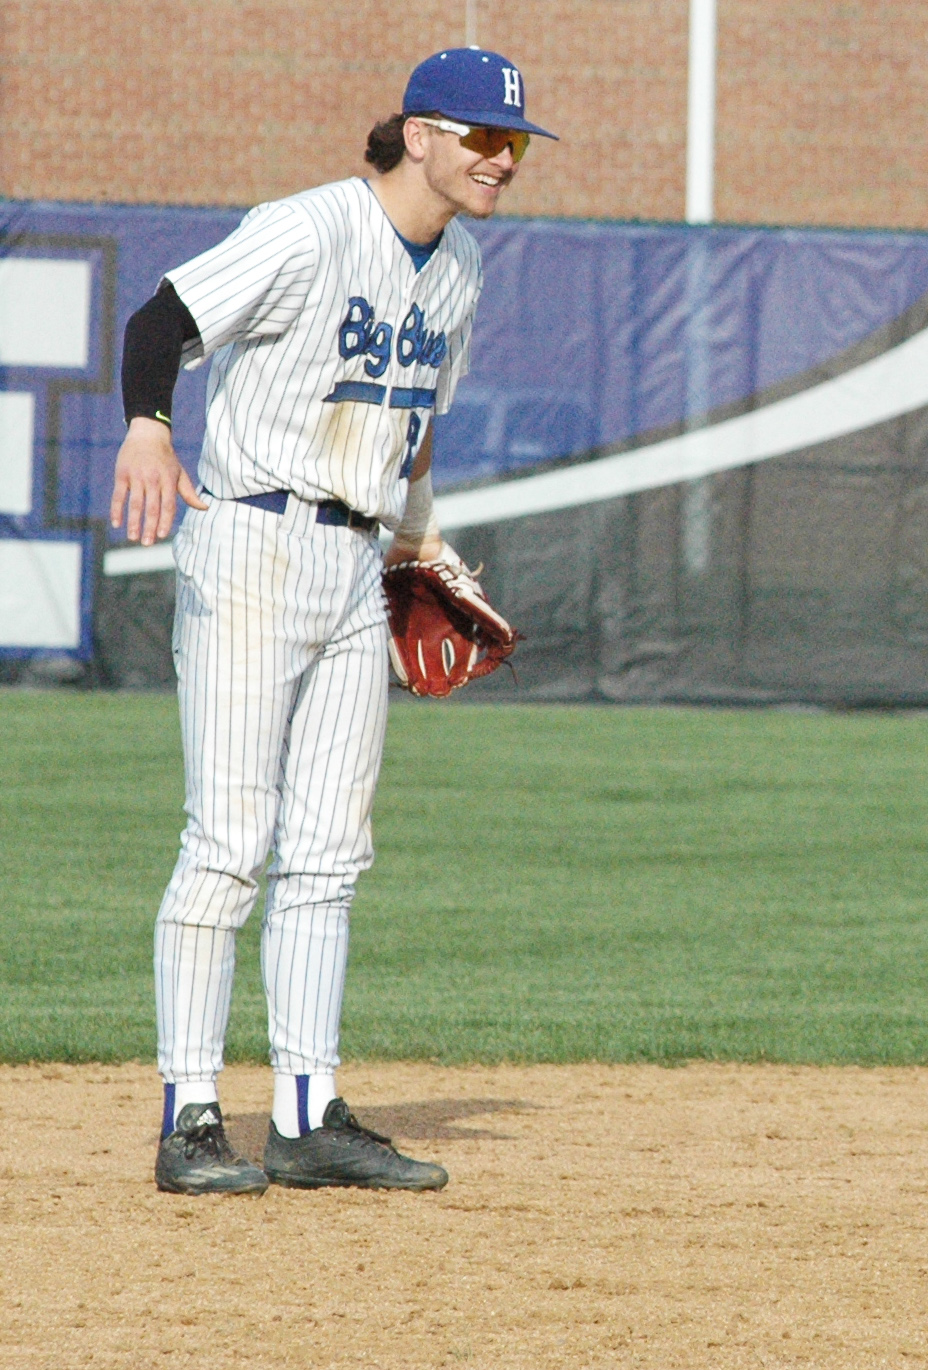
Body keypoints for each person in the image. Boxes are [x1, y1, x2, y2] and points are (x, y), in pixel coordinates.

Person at [109, 49, 556, 1195]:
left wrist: (417, 536)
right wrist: (150, 427)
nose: (502, 159)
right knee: (227, 843)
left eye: (513, 143)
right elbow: (162, 317)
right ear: (418, 135)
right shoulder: (308, 230)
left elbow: (413, 429)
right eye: (481, 138)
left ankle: (307, 1114)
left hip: (354, 561)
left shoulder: (458, 271)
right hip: (253, 543)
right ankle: (191, 1115)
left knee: (329, 852)